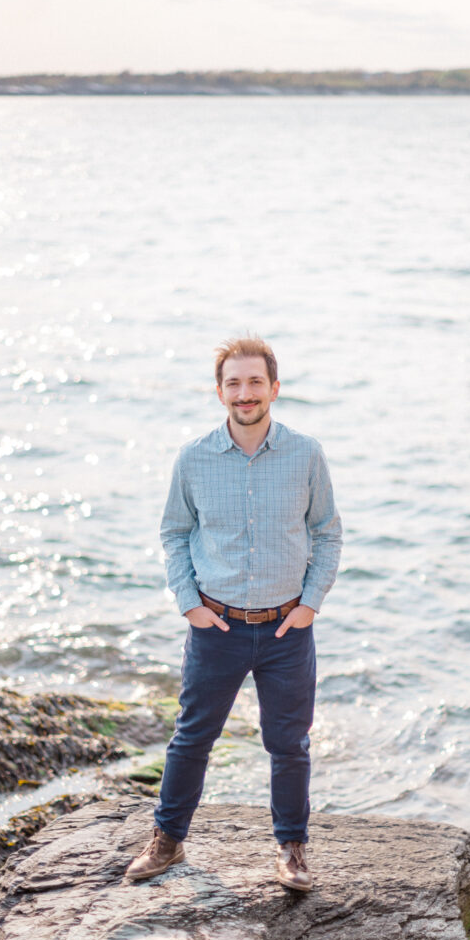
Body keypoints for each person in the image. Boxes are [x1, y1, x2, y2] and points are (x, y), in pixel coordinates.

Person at [126, 335, 342, 891]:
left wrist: (310, 605)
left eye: (254, 382)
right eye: (233, 383)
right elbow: (174, 533)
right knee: (191, 737)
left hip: (287, 629)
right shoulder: (194, 458)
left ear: (274, 388)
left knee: (289, 744)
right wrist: (189, 604)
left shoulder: (306, 454)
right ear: (219, 391)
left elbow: (328, 534)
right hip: (215, 627)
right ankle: (168, 841)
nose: (244, 393)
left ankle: (292, 850)